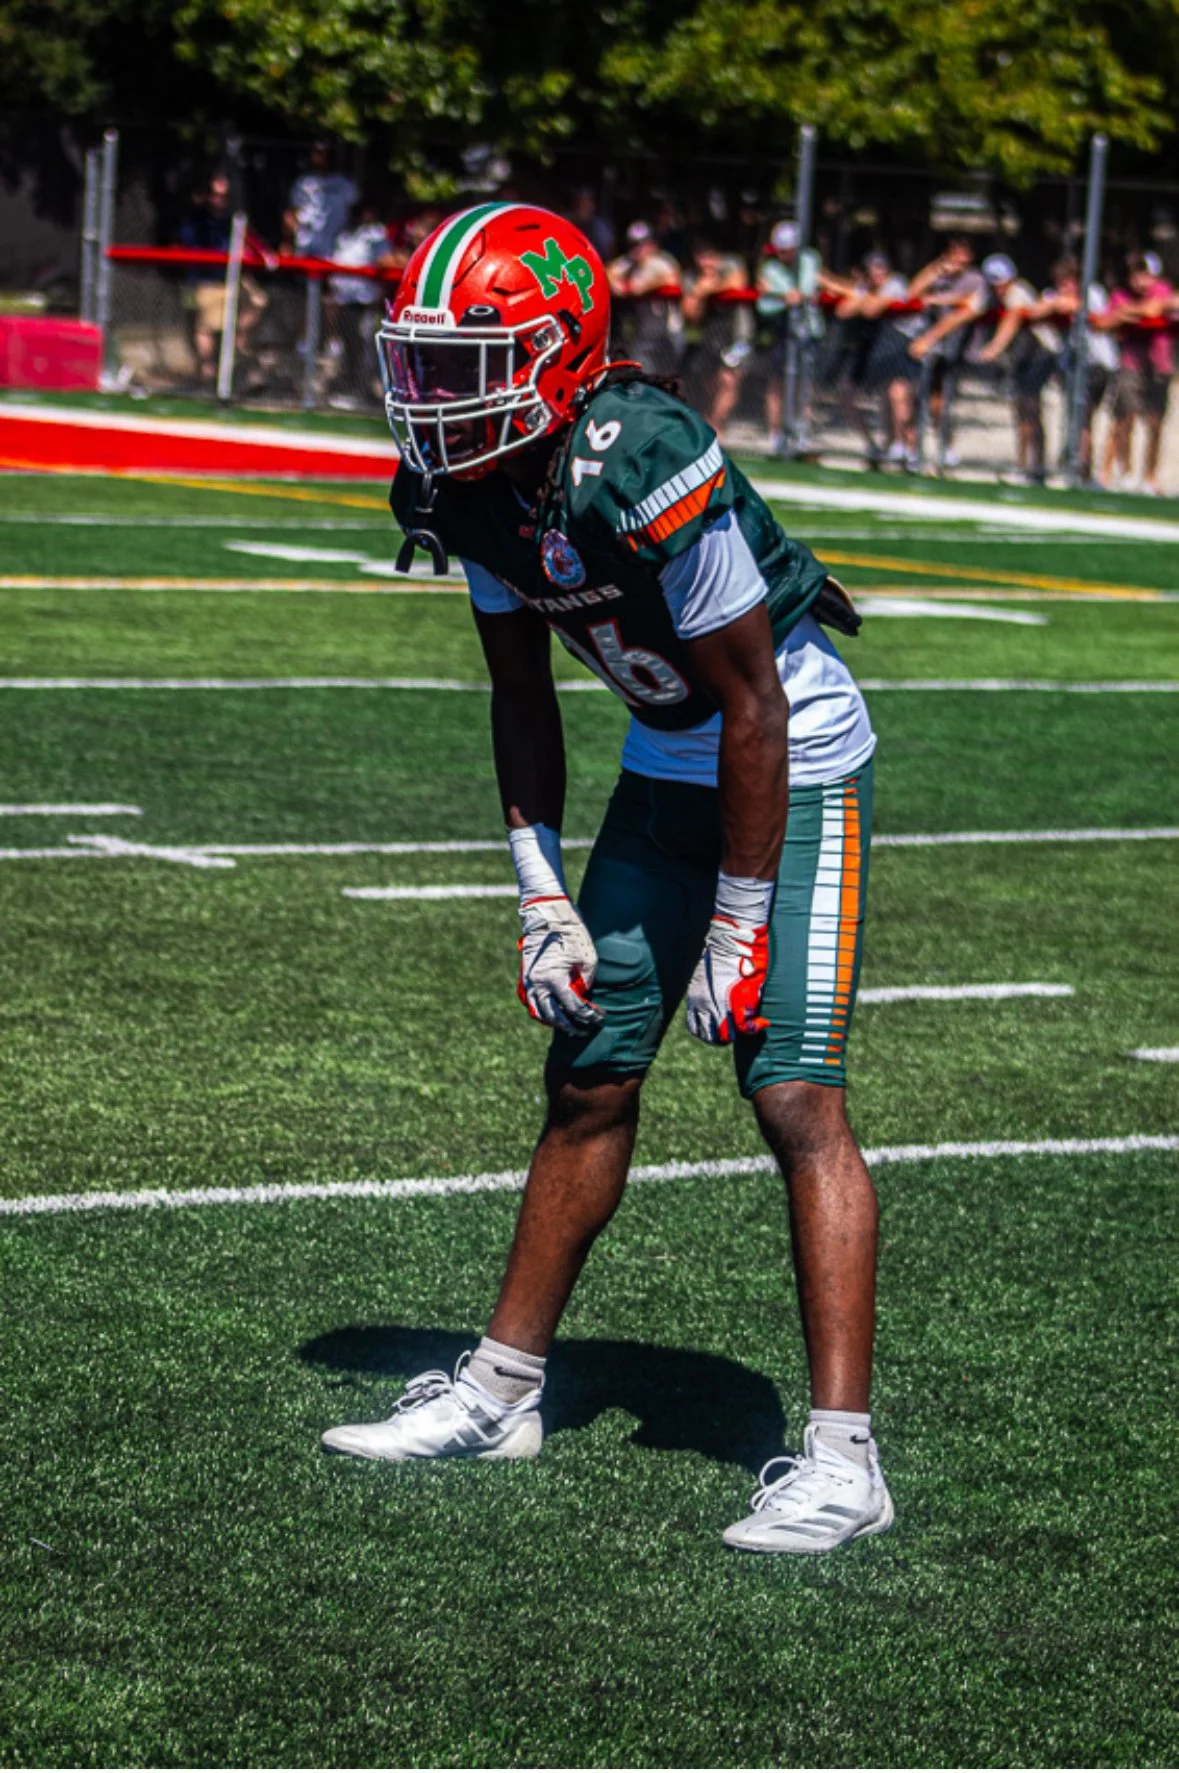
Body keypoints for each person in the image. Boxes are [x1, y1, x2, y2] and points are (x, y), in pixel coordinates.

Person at [323, 202, 892, 1558]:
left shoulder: (639, 452)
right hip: (665, 763)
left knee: (791, 1087)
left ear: (561, 347)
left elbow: (751, 705)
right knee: (587, 1068)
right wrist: (536, 890)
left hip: (789, 759)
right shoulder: (466, 486)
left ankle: (841, 1459)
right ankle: (501, 1389)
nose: (431, 397)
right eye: (420, 364)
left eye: (468, 362)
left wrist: (739, 926)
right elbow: (519, 693)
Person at [975, 252, 1062, 484]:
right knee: (1022, 410)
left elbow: (1013, 319)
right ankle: (1023, 465)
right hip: (1023, 357)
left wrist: (994, 348)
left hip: (1040, 354)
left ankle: (1036, 467)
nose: (999, 287)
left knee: (1031, 409)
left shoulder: (1018, 292)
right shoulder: (992, 295)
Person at [176, 173, 268, 386]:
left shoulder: (233, 220)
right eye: (215, 195)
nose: (219, 200)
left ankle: (237, 345)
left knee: (258, 301)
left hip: (233, 278)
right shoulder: (198, 221)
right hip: (208, 279)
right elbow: (187, 244)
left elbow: (253, 244)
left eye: (223, 196)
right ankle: (208, 373)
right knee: (206, 327)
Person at [907, 237, 989, 469]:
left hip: (955, 349)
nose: (958, 263)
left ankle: (944, 447)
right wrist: (934, 270)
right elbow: (910, 293)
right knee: (916, 398)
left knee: (939, 401)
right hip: (930, 350)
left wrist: (934, 301)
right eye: (954, 256)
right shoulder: (938, 276)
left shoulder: (975, 279)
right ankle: (913, 451)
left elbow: (964, 309)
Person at [1037, 255, 1119, 483]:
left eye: (1068, 281)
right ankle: (1077, 466)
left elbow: (1079, 307)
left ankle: (1082, 468)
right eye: (1060, 282)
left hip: (1097, 366)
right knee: (1077, 418)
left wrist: (1061, 303)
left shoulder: (1092, 293)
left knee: (1084, 418)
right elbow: (1039, 307)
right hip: (1073, 366)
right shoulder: (1054, 295)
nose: (1063, 286)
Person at [836, 251, 921, 467]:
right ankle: (873, 445)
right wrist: (860, 296)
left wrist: (859, 298)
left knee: (898, 395)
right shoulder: (866, 288)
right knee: (846, 392)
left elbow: (872, 309)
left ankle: (905, 448)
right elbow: (843, 310)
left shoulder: (896, 284)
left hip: (900, 346)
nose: (877, 273)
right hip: (873, 348)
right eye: (873, 268)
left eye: (881, 268)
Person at [1102, 251, 1175, 495]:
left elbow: (1156, 309)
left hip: (1159, 365)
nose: (1139, 280)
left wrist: (1128, 312)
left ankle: (1149, 476)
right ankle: (1125, 471)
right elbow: (1105, 322)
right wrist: (1128, 312)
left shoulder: (1163, 290)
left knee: (1155, 422)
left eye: (1144, 273)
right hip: (1130, 363)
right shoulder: (1120, 294)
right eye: (1136, 273)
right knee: (1125, 418)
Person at [756, 221, 827, 453]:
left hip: (807, 333)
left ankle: (800, 432)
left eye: (786, 250)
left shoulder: (809, 260)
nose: (782, 255)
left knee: (804, 385)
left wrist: (781, 293)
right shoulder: (770, 269)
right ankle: (776, 435)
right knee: (777, 383)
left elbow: (805, 289)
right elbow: (765, 305)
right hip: (782, 332)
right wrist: (782, 296)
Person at [681, 240, 754, 440]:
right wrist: (698, 291)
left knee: (729, 379)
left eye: (711, 256)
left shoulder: (732, 264)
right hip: (710, 335)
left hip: (737, 333)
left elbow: (737, 282)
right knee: (709, 381)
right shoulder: (691, 277)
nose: (707, 262)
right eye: (702, 256)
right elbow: (690, 314)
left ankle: (716, 425)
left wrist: (707, 289)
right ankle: (709, 422)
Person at [328, 201, 396, 406]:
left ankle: (360, 391)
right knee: (346, 345)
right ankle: (347, 386)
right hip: (344, 299)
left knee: (363, 346)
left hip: (364, 300)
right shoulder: (345, 235)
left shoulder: (376, 234)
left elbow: (386, 260)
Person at [607, 220, 683, 375]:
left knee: (671, 378)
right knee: (642, 376)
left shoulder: (661, 262)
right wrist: (621, 284)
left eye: (642, 244)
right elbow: (607, 273)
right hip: (643, 334)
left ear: (652, 244)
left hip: (668, 333)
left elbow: (672, 279)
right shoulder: (627, 263)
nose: (638, 249)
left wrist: (643, 286)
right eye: (633, 245)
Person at [285, 141, 358, 259]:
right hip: (307, 244)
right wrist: (288, 241)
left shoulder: (345, 184)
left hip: (337, 247)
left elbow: (356, 213)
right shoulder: (304, 183)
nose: (318, 157)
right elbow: (291, 214)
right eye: (316, 152)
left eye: (322, 153)